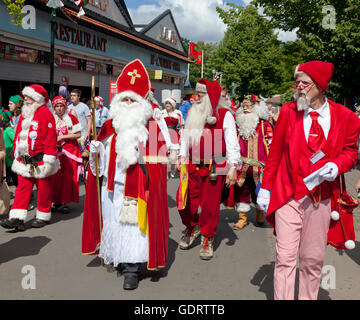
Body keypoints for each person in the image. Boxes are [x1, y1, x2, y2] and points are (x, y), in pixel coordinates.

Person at [256, 61, 360, 300]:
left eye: (305, 82)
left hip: (321, 200)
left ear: (321, 85)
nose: (299, 87)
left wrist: (337, 165)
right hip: (288, 196)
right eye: (297, 82)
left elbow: (351, 152)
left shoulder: (345, 118)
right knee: (284, 258)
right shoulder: (288, 112)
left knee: (313, 260)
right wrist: (266, 188)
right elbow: (276, 154)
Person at [82, 59, 169, 290]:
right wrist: (96, 150)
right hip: (112, 188)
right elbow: (100, 161)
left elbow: (159, 165)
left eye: (133, 99)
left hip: (137, 190)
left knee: (132, 227)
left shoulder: (151, 129)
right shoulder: (110, 125)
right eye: (124, 99)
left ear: (141, 103)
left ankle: (132, 269)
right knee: (114, 223)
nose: (128, 103)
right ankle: (120, 258)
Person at [176, 78, 241, 260]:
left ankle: (207, 237)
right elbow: (186, 137)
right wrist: (181, 156)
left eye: (201, 94)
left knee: (210, 207)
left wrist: (233, 166)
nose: (196, 97)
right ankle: (192, 226)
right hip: (191, 164)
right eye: (196, 93)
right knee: (185, 201)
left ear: (210, 96)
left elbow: (232, 143)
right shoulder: (192, 111)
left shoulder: (224, 114)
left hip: (214, 164)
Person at [0, 84, 59, 230]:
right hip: (24, 159)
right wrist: (15, 151)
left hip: (41, 160)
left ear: (37, 98)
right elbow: (19, 134)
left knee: (44, 190)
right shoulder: (25, 113)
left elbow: (51, 138)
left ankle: (43, 215)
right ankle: (16, 217)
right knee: (22, 189)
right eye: (25, 96)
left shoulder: (46, 113)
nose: (25, 98)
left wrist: (49, 159)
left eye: (28, 96)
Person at [223, 94, 273, 229]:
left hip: (260, 168)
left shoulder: (265, 125)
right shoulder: (238, 126)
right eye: (243, 106)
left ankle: (260, 213)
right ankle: (242, 218)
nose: (245, 109)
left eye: (249, 106)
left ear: (256, 108)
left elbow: (271, 146)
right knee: (242, 192)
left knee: (259, 191)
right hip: (242, 167)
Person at [51, 96, 82, 214]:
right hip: (56, 152)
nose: (59, 109)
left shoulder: (72, 117)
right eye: (57, 106)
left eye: (61, 106)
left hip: (70, 152)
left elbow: (78, 134)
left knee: (68, 178)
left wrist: (63, 136)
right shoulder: (50, 119)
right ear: (54, 107)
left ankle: (65, 202)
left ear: (65, 107)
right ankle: (56, 201)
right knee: (56, 178)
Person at [161, 97, 184, 178]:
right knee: (164, 156)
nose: (167, 105)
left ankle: (173, 169)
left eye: (169, 103)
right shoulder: (162, 113)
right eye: (166, 103)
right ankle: (165, 172)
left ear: (173, 105)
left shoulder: (178, 113)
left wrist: (181, 136)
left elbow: (181, 127)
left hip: (174, 135)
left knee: (173, 157)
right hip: (163, 135)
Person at [0, 109, 17, 186]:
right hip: (5, 159)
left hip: (10, 159)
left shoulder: (8, 130)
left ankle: (27, 194)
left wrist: (12, 151)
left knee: (15, 177)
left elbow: (16, 139)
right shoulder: (3, 130)